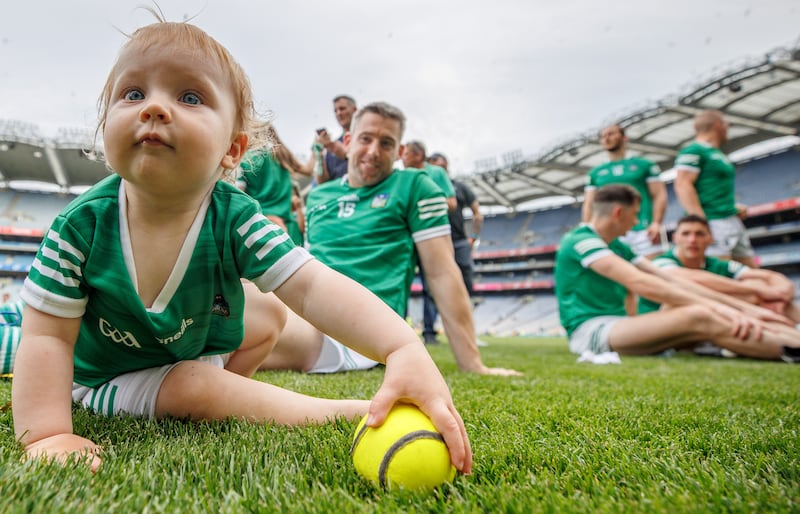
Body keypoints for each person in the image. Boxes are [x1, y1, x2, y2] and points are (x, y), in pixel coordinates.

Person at [11, 17, 472, 475]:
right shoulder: (80, 227)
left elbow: (310, 286)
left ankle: (228, 390)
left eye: (189, 97)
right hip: (101, 380)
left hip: (184, 347)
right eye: (133, 93)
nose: (153, 107)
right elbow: (47, 335)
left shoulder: (235, 214)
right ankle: (347, 411)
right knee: (196, 387)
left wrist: (401, 349)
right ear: (104, 123)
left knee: (269, 311)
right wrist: (50, 432)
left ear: (232, 150)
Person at [262, 102, 520, 376]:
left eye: (386, 143)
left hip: (357, 331)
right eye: (365, 139)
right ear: (348, 141)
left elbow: (442, 272)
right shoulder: (318, 197)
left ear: (399, 152)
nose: (373, 151)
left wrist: (473, 364)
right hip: (301, 311)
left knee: (250, 320)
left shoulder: (415, 186)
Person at [555, 184, 800, 361]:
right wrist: (722, 308)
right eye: (635, 214)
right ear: (618, 212)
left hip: (621, 325)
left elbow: (670, 280)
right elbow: (641, 282)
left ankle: (789, 340)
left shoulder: (618, 246)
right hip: (593, 332)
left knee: (706, 312)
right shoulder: (580, 240)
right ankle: (791, 348)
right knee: (700, 315)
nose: (637, 221)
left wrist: (746, 309)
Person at [639, 214, 799, 322]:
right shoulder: (661, 262)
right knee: (749, 294)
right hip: (658, 321)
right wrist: (757, 292)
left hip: (705, 321)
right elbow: (687, 278)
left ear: (710, 239)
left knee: (759, 289)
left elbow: (766, 276)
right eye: (686, 234)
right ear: (675, 238)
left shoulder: (718, 265)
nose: (692, 240)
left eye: (699, 234)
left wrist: (782, 291)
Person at [673, 110, 756, 266]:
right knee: (719, 273)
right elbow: (682, 184)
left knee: (751, 271)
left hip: (730, 218)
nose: (728, 128)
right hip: (713, 222)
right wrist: (700, 224)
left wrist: (731, 207)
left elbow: (711, 189)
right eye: (727, 124)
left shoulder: (716, 153)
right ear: (719, 125)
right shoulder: (694, 150)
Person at [419, 152, 484, 345]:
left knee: (465, 284)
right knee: (431, 289)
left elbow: (477, 214)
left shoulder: (459, 188)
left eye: (444, 167)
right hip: (433, 243)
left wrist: (474, 237)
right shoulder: (423, 187)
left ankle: (468, 332)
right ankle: (429, 333)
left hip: (459, 242)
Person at [582, 124, 667, 259]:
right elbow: (589, 203)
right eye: (603, 136)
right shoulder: (595, 173)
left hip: (644, 231)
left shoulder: (645, 165)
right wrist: (587, 230)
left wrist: (656, 223)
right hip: (612, 234)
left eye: (611, 134)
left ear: (624, 137)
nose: (606, 138)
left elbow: (659, 195)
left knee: (655, 272)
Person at [236, 123, 312, 236]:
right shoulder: (283, 157)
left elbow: (238, 196)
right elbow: (308, 170)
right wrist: (317, 148)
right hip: (289, 226)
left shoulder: (247, 160)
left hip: (261, 224)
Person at [401, 141, 456, 211]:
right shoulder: (403, 177)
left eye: (406, 154)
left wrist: (426, 201)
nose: (402, 158)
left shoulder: (438, 172)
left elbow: (452, 204)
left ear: (418, 155)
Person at [315, 95, 357, 184]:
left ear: (355, 110)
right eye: (335, 111)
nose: (338, 113)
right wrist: (320, 156)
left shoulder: (367, 139)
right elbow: (322, 183)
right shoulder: (332, 146)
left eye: (342, 109)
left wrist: (345, 154)